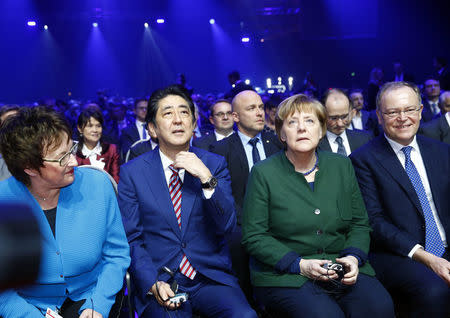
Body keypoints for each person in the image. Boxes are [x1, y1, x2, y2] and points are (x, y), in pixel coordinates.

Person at [241, 94, 394, 318]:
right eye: (292, 122)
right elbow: (254, 237)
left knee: (379, 308)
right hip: (287, 275)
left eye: (310, 121)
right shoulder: (263, 173)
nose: (302, 128)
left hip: (341, 266)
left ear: (322, 130)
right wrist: (299, 264)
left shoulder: (341, 166)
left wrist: (353, 257)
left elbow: (360, 224)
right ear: (281, 133)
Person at [117, 85, 256, 318]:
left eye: (184, 112)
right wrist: (151, 283)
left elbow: (227, 225)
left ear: (194, 124)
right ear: (152, 128)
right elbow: (132, 239)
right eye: (168, 113)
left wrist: (206, 178)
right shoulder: (133, 173)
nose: (178, 120)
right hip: (162, 279)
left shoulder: (214, 164)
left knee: (245, 316)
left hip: (210, 278)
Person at [0, 106, 130, 318]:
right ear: (29, 167)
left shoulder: (98, 185)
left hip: (91, 297)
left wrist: (98, 304)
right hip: (28, 306)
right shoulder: (4, 202)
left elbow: (116, 255)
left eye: (71, 149)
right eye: (62, 158)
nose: (74, 161)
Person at [350, 81, 450, 317]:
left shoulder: (442, 151)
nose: (402, 118)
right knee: (436, 290)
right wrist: (426, 257)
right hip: (400, 253)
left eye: (409, 110)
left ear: (421, 110)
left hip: (445, 244)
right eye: (393, 112)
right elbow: (374, 221)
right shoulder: (363, 160)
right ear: (379, 116)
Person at [318, 89, 372, 156]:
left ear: (351, 112)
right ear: (322, 115)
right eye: (333, 118)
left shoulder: (364, 139)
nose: (340, 124)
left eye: (344, 117)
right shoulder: (315, 144)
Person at [75, 107, 120, 183]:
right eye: (90, 126)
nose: (95, 130)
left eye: (98, 126)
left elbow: (116, 181)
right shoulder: (73, 152)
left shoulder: (111, 150)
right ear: (80, 129)